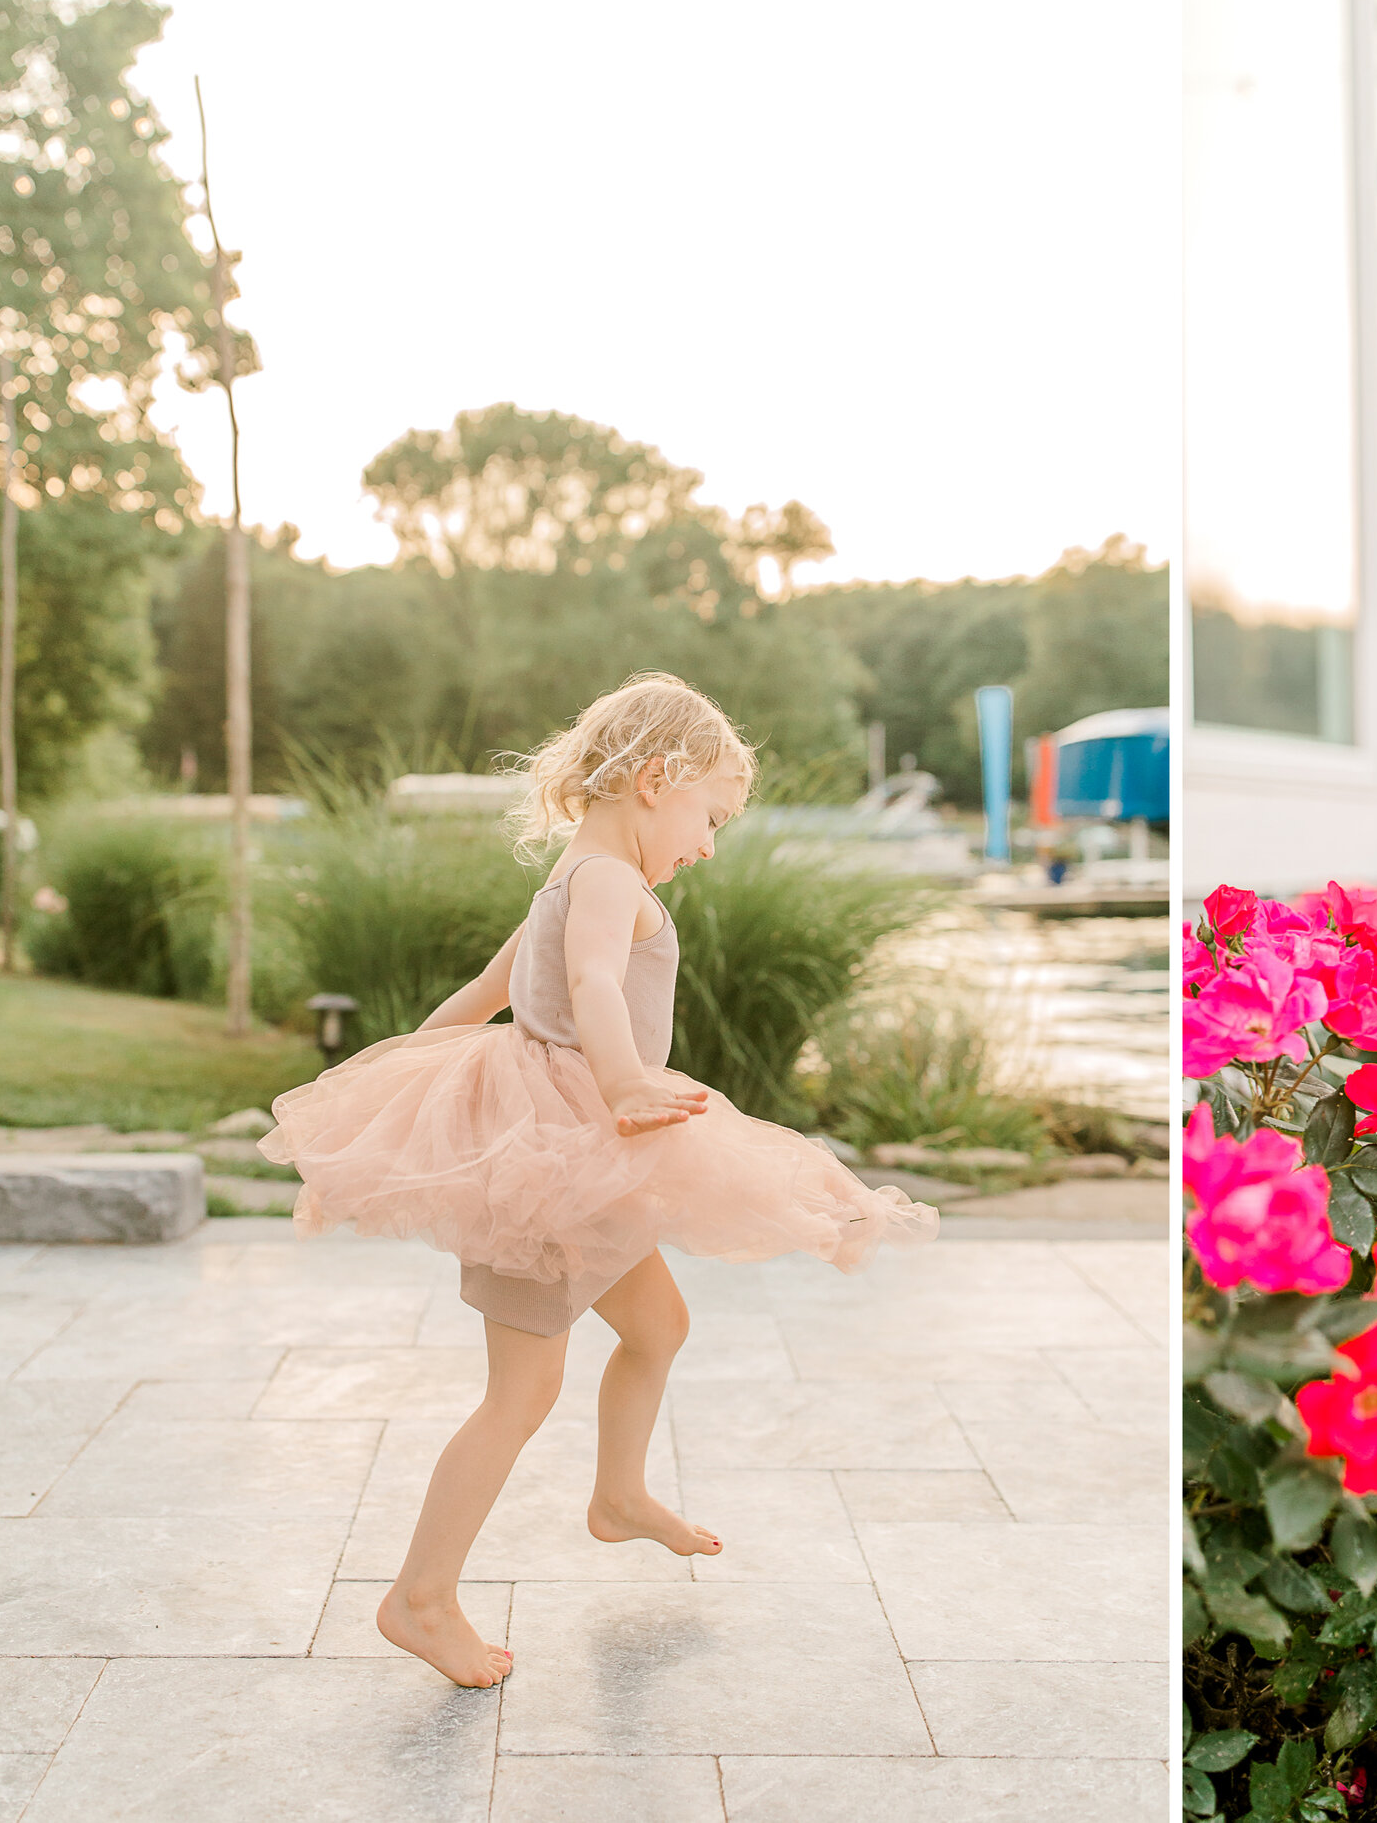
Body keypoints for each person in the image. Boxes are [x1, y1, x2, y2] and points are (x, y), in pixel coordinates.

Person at [261, 672, 938, 1688]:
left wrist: (389, 1086)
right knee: (519, 1394)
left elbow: (487, 996)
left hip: (581, 1159)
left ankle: (618, 1498)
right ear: (656, 780)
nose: (708, 844)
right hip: (561, 1159)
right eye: (708, 816)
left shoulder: (571, 875)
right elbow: (586, 986)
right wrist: (622, 1082)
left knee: (658, 1328)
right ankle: (419, 1598)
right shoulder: (609, 882)